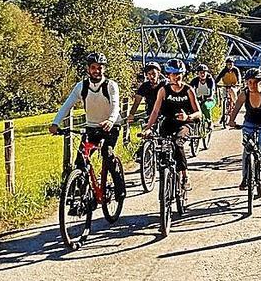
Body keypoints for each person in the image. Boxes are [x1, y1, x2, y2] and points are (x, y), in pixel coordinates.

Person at [49, 52, 125, 197]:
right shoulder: (81, 87)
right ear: (88, 69)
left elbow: (116, 106)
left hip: (112, 125)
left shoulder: (111, 85)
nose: (97, 71)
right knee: (81, 160)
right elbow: (67, 106)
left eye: (100, 68)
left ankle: (119, 187)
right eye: (93, 67)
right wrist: (55, 123)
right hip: (92, 126)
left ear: (104, 69)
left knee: (107, 153)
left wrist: (110, 120)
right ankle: (81, 195)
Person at [142, 59, 202, 191]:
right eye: (172, 75)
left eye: (178, 74)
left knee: (177, 143)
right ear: (168, 75)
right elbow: (156, 111)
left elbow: (198, 112)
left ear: (183, 74)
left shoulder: (188, 90)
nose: (175, 77)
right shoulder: (163, 90)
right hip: (168, 122)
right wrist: (148, 128)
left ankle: (185, 175)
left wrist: (188, 117)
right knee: (162, 147)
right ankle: (165, 172)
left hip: (184, 124)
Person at [228, 69, 261, 190]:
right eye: (249, 82)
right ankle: (245, 178)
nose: (252, 85)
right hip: (249, 123)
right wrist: (231, 121)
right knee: (247, 149)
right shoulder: (244, 93)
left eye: (255, 82)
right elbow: (236, 108)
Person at [189, 64, 216, 129]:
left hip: (209, 100)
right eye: (200, 72)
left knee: (205, 106)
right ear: (198, 73)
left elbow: (212, 89)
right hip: (198, 99)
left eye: (204, 72)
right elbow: (189, 89)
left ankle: (210, 122)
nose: (202, 74)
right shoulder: (195, 80)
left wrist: (211, 97)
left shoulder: (210, 80)